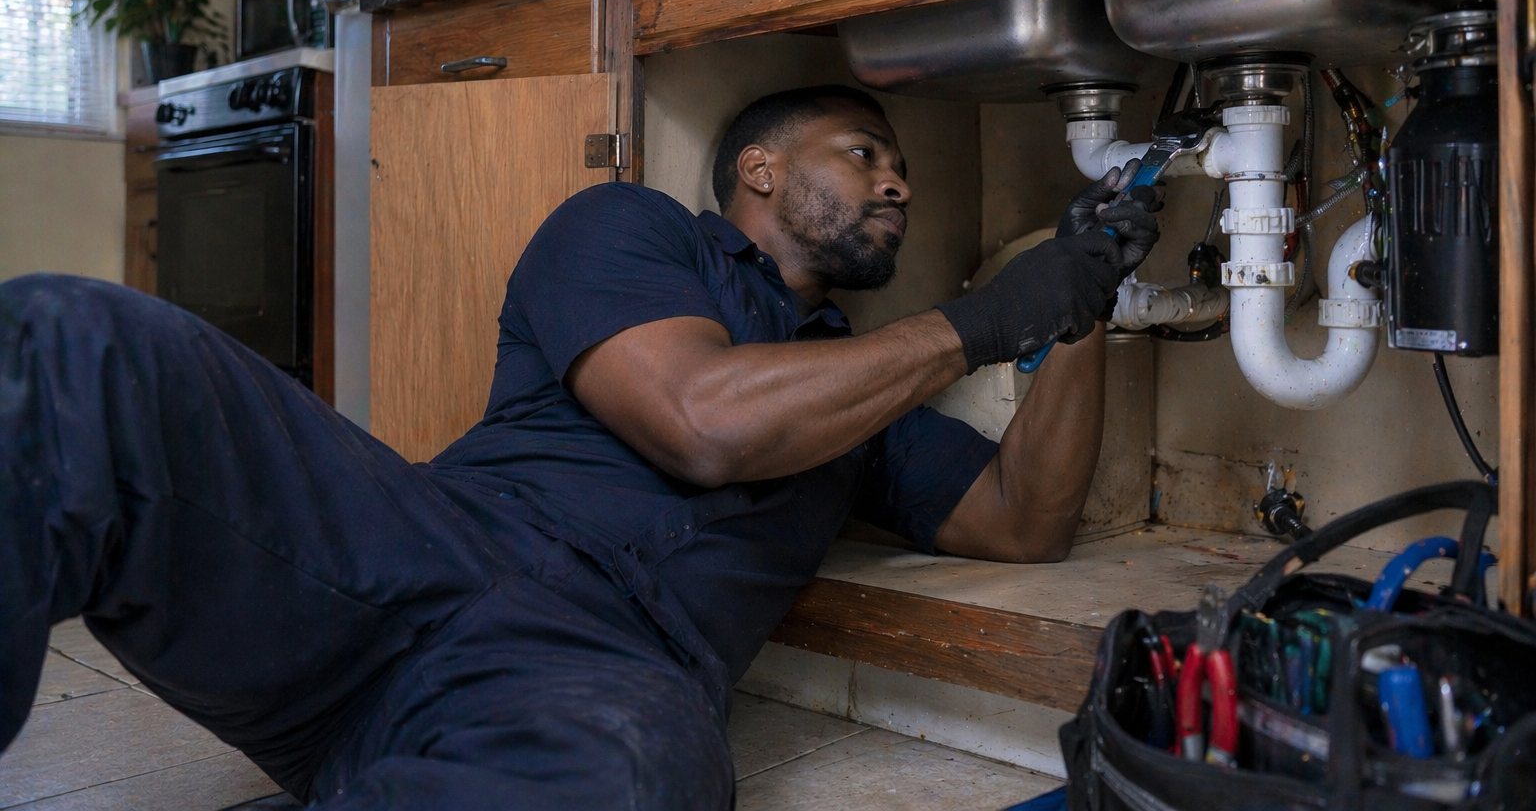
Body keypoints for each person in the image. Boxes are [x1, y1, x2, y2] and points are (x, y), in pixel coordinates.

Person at [0, 84, 1159, 810]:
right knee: (75, 341)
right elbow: (701, 420)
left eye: (899, 164)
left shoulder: (856, 404)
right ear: (759, 166)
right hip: (406, 555)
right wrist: (977, 323)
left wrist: (1078, 307)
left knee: (634, 776)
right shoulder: (628, 229)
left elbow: (1026, 517)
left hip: (595, 671)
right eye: (866, 151)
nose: (899, 179)